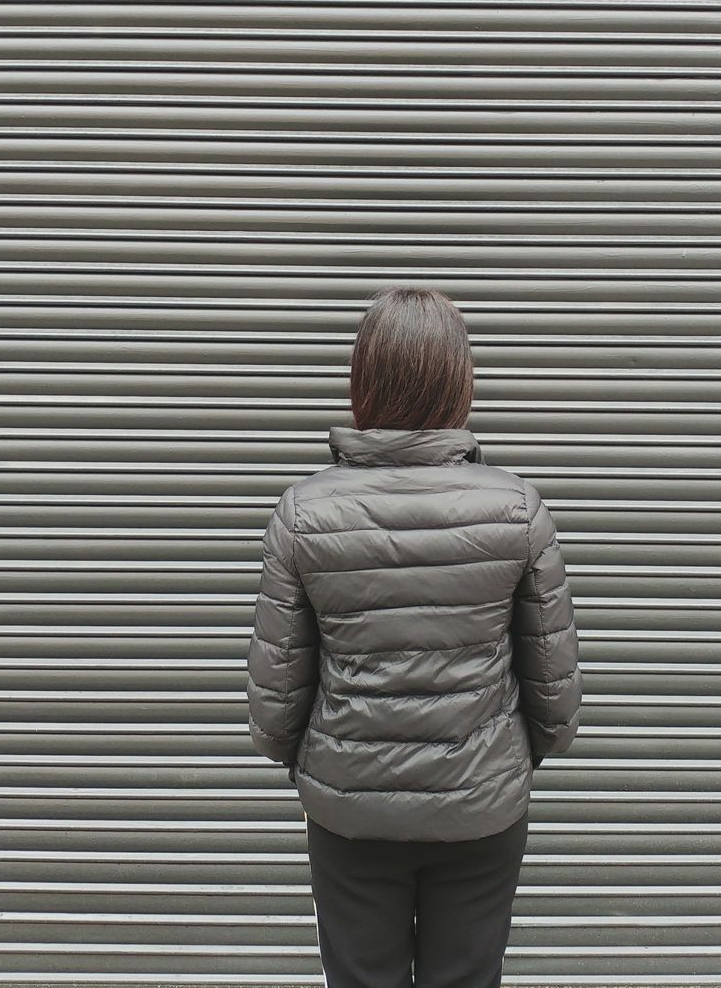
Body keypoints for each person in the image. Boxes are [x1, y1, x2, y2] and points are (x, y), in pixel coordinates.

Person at [247, 285, 583, 988]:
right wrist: (500, 767)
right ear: (459, 382)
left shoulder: (304, 513)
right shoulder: (515, 508)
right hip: (481, 816)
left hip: (349, 819)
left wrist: (328, 773)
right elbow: (554, 698)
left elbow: (275, 704)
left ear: (362, 381)